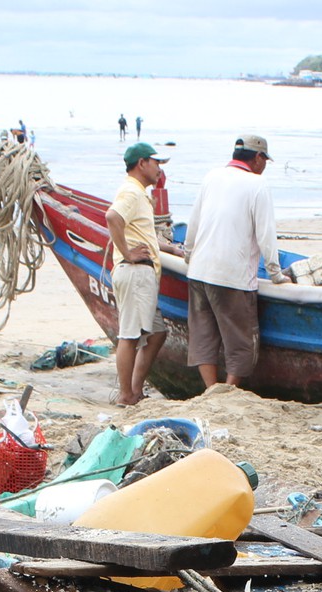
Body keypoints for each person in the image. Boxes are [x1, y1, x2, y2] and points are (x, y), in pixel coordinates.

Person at [184, 133, 293, 389]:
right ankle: (229, 389)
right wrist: (276, 273)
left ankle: (211, 389)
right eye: (264, 159)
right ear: (258, 158)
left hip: (199, 271)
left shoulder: (211, 176)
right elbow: (266, 235)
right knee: (242, 341)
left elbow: (193, 223)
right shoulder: (258, 184)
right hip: (232, 276)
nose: (264, 165)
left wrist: (189, 255)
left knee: (203, 334)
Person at [103, 143, 184, 406]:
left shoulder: (139, 194)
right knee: (130, 335)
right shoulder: (132, 192)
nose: (159, 169)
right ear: (142, 164)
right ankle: (126, 395)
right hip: (136, 273)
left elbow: (141, 234)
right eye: (156, 163)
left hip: (142, 274)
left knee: (157, 333)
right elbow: (112, 217)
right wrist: (126, 253)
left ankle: (135, 389)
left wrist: (170, 247)